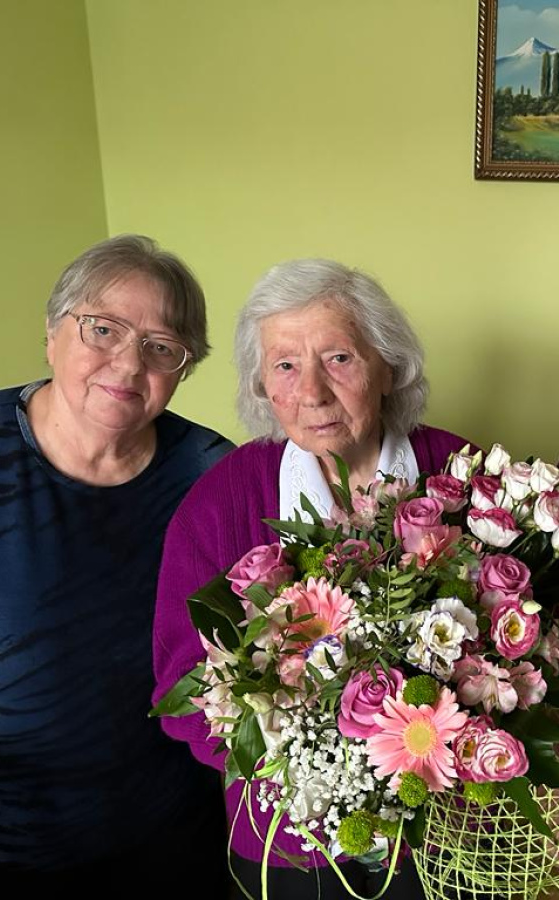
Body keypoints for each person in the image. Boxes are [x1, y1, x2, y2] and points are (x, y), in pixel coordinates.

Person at [0, 235, 234, 898]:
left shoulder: (215, 476)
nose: (129, 363)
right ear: (52, 332)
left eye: (161, 347)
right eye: (103, 329)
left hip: (175, 833)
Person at [153, 259, 474, 899]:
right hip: (288, 839)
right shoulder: (219, 503)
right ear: (262, 386)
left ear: (388, 367)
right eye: (285, 365)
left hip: (446, 828)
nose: (313, 391)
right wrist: (312, 759)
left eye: (339, 358)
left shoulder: (461, 474)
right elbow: (180, 688)